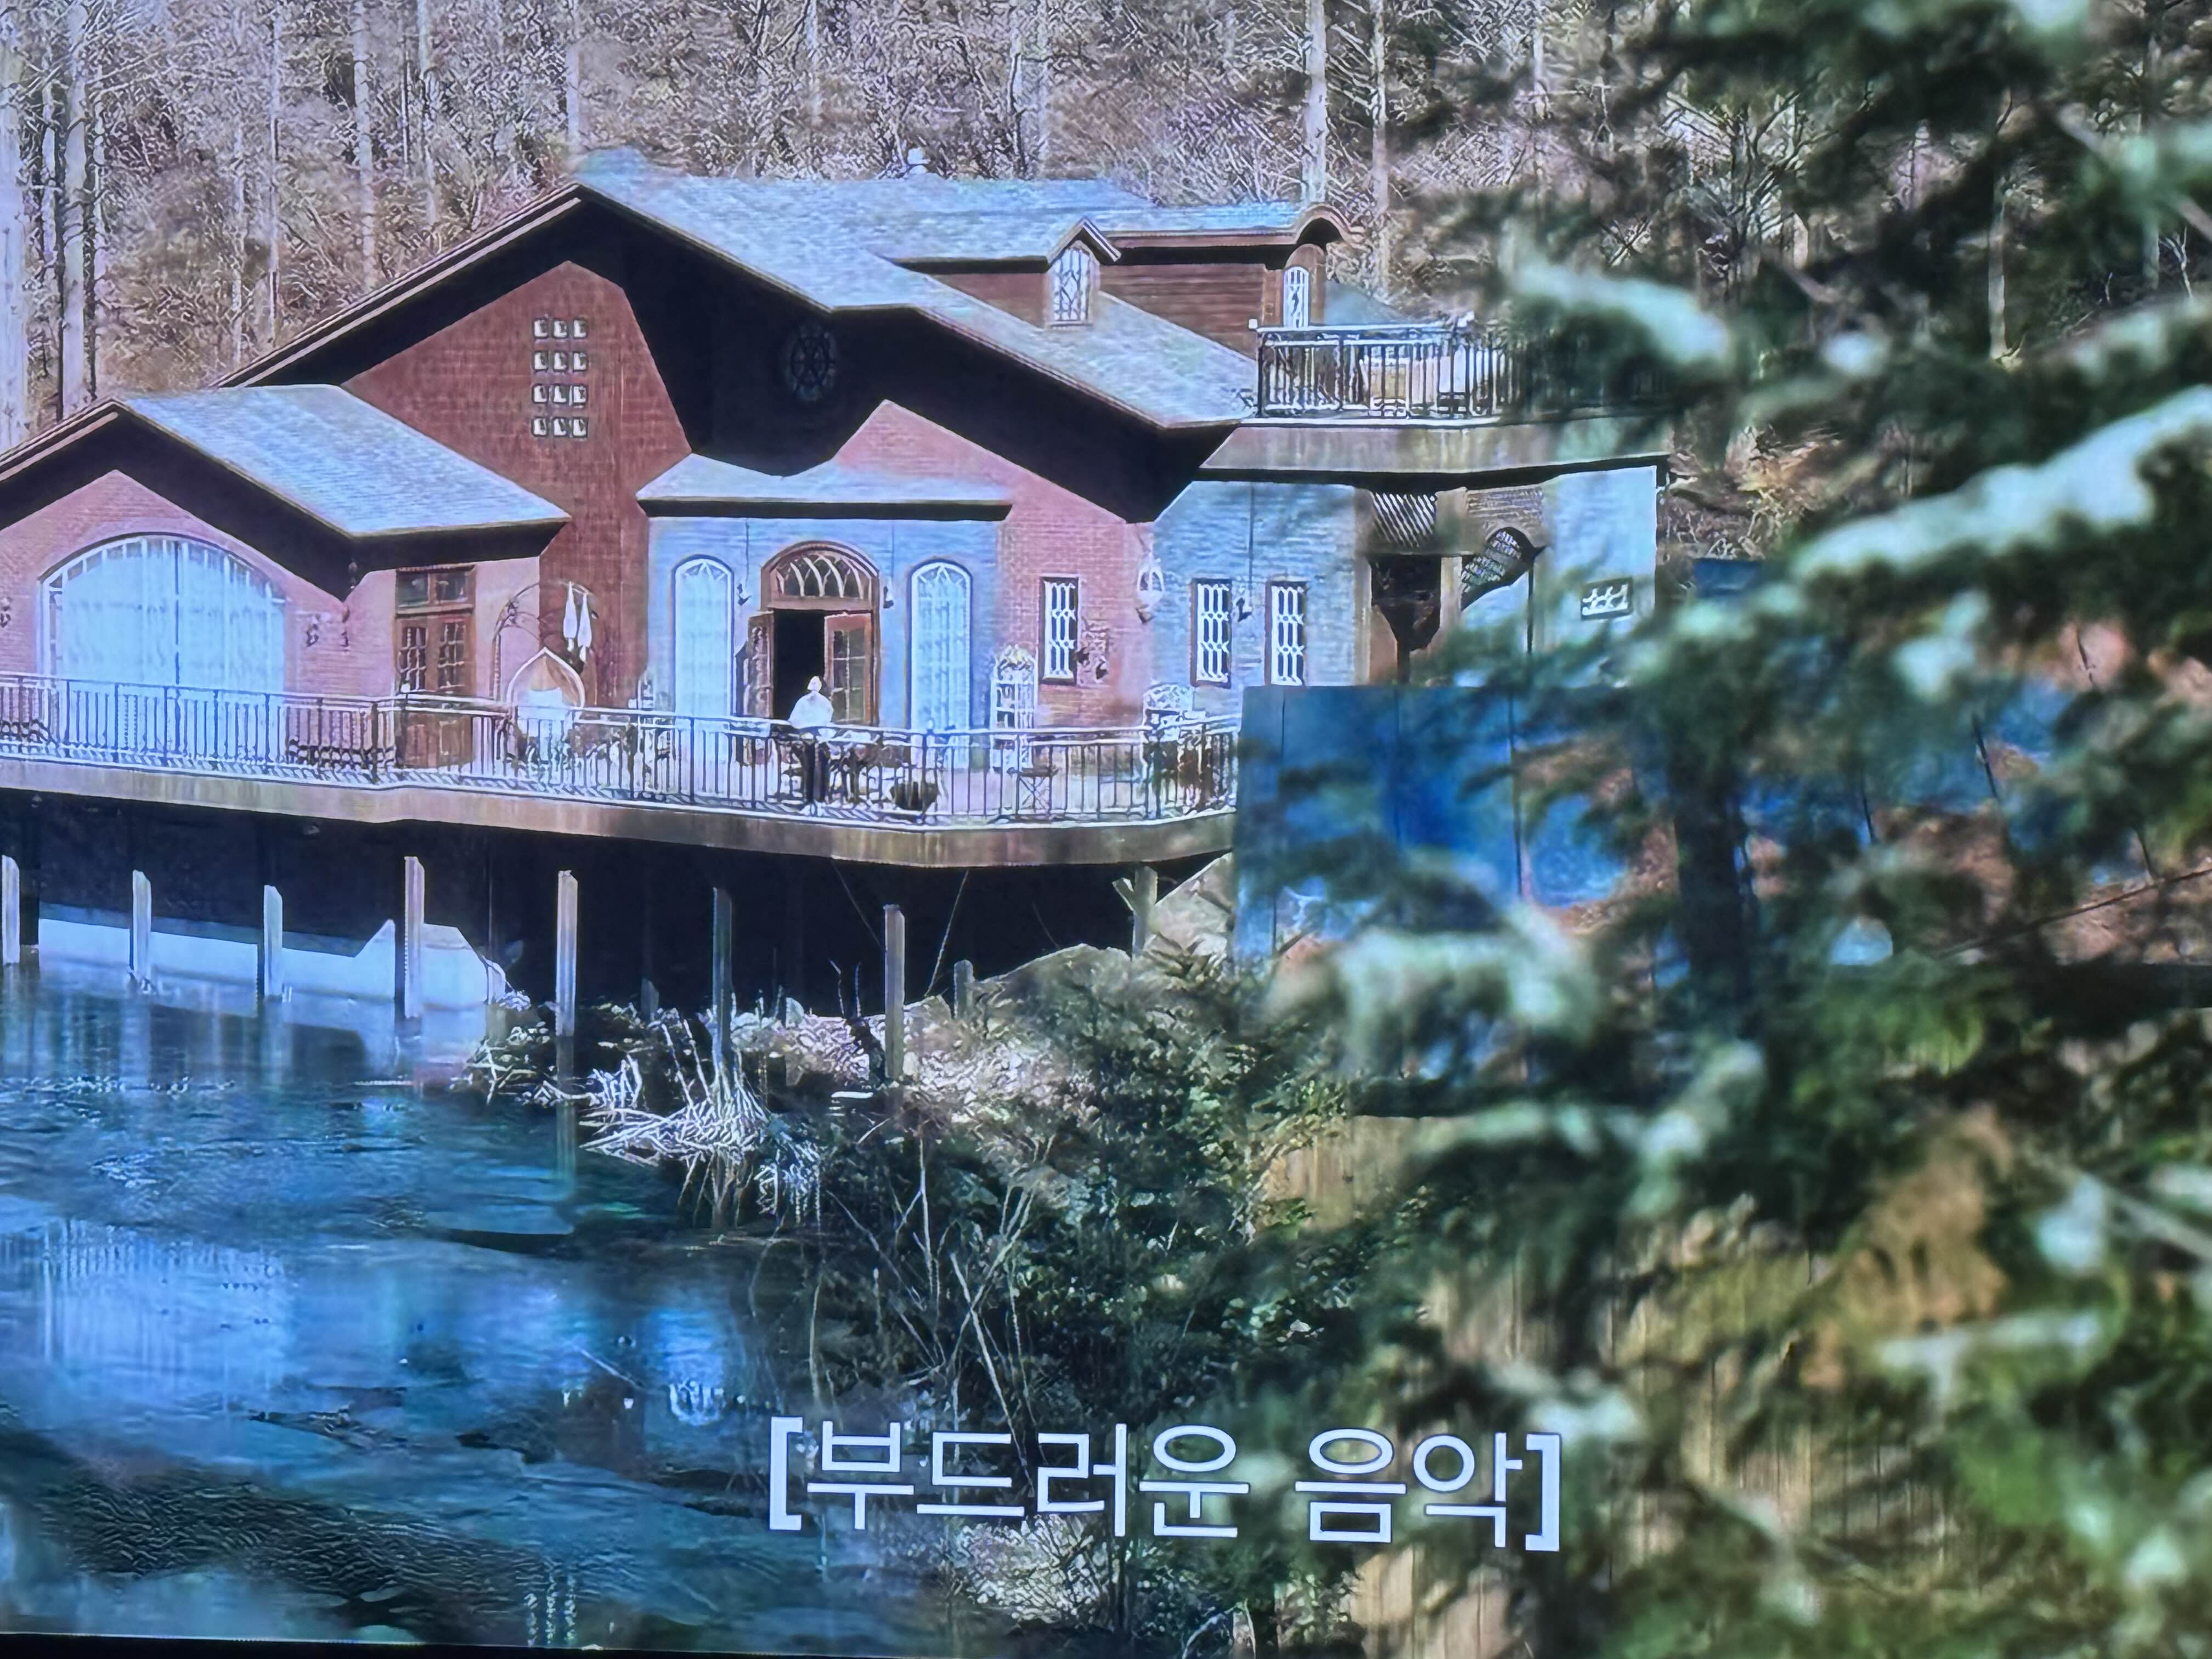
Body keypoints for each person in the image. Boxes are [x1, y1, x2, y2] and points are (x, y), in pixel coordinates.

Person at [788, 675, 836, 804]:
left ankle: (817, 797)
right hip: (811, 741)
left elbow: (795, 721)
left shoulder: (815, 702)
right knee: (811, 768)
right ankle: (813, 798)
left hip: (817, 740)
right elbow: (795, 721)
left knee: (816, 769)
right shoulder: (807, 702)